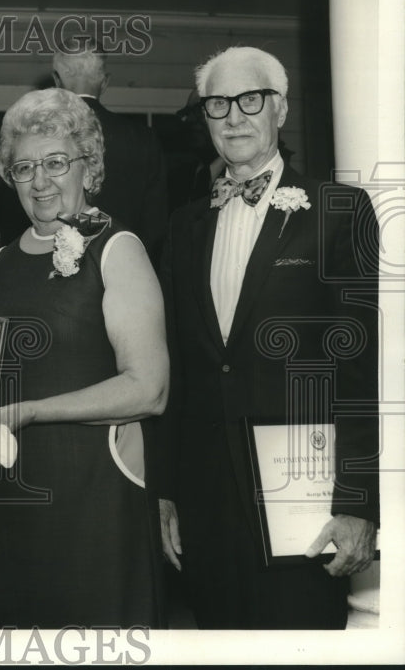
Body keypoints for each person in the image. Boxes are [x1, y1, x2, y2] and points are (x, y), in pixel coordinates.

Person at [155, 46, 379, 628]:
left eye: (249, 99)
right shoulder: (182, 226)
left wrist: (358, 502)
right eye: (217, 104)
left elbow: (363, 369)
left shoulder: (337, 211)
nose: (233, 116)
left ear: (279, 109)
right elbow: (180, 368)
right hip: (206, 504)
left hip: (302, 502)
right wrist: (168, 492)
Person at [0, 88, 169, 628]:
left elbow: (149, 389)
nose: (40, 181)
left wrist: (32, 410)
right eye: (24, 167)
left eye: (56, 162)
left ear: (89, 167)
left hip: (95, 493)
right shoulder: (4, 260)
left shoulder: (118, 247)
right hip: (10, 494)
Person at [52, 47, 168, 261]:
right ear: (105, 82)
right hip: (125, 265)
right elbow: (156, 227)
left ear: (57, 80)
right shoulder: (143, 138)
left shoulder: (42, 136)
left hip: (55, 270)